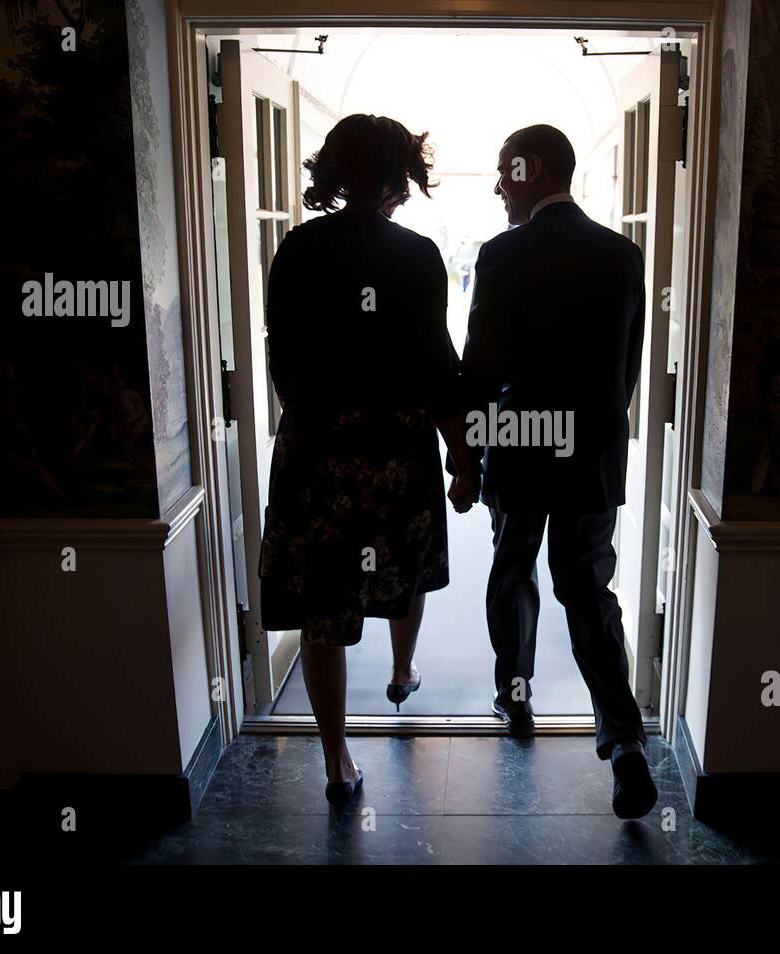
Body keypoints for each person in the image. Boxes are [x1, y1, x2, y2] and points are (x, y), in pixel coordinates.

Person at [258, 114, 479, 805]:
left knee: (324, 606)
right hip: (394, 447)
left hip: (318, 451)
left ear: (332, 171)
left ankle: (335, 762)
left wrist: (317, 420)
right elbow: (438, 368)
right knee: (404, 566)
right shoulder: (415, 256)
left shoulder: (296, 249)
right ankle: (404, 666)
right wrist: (463, 457)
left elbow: (282, 360)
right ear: (399, 177)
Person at [457, 124, 657, 819]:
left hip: (517, 446)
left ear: (531, 168)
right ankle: (625, 741)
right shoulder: (623, 255)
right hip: (593, 455)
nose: (497, 186)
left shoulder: (504, 254)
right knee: (587, 590)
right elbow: (625, 373)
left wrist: (466, 459)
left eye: (503, 172)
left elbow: (482, 369)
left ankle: (514, 701)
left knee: (513, 570)